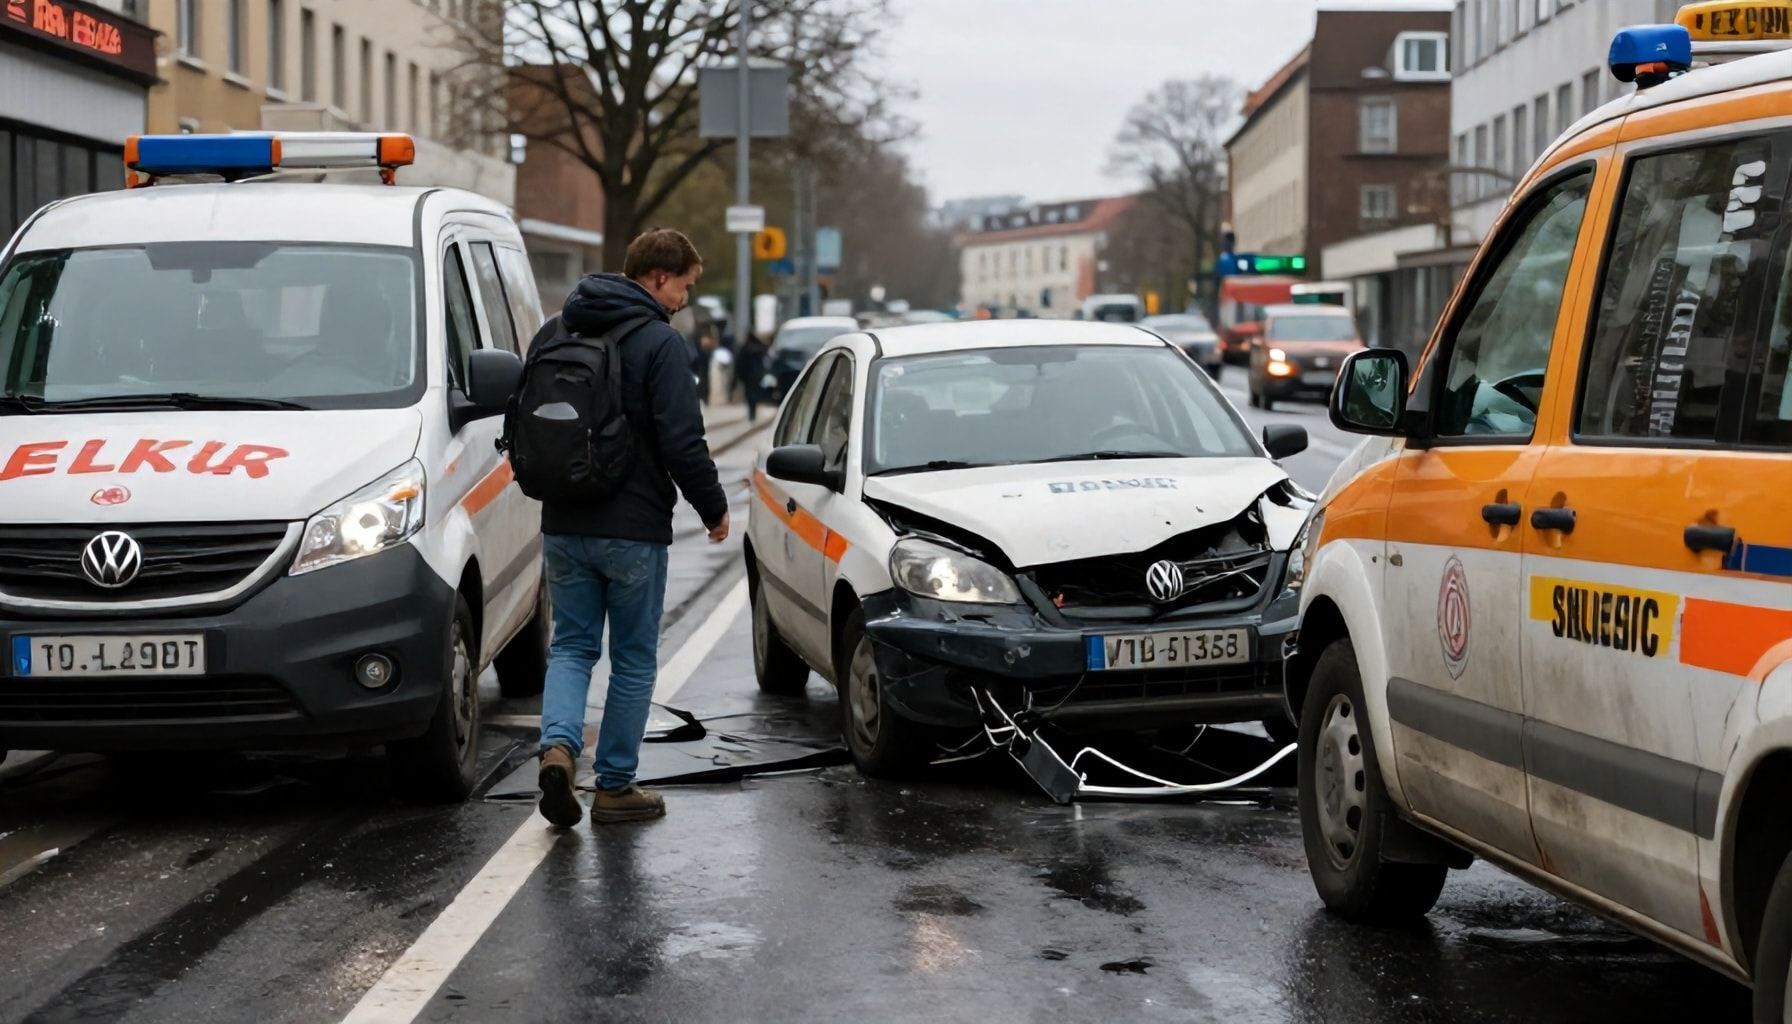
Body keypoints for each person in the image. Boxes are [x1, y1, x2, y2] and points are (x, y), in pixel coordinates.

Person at [533, 229, 730, 828]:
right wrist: (713, 507)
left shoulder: (555, 330)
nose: (684, 301)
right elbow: (682, 441)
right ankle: (615, 786)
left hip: (564, 520)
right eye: (685, 288)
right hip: (634, 528)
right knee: (635, 657)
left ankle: (560, 750)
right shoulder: (659, 343)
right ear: (658, 278)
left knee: (570, 646)